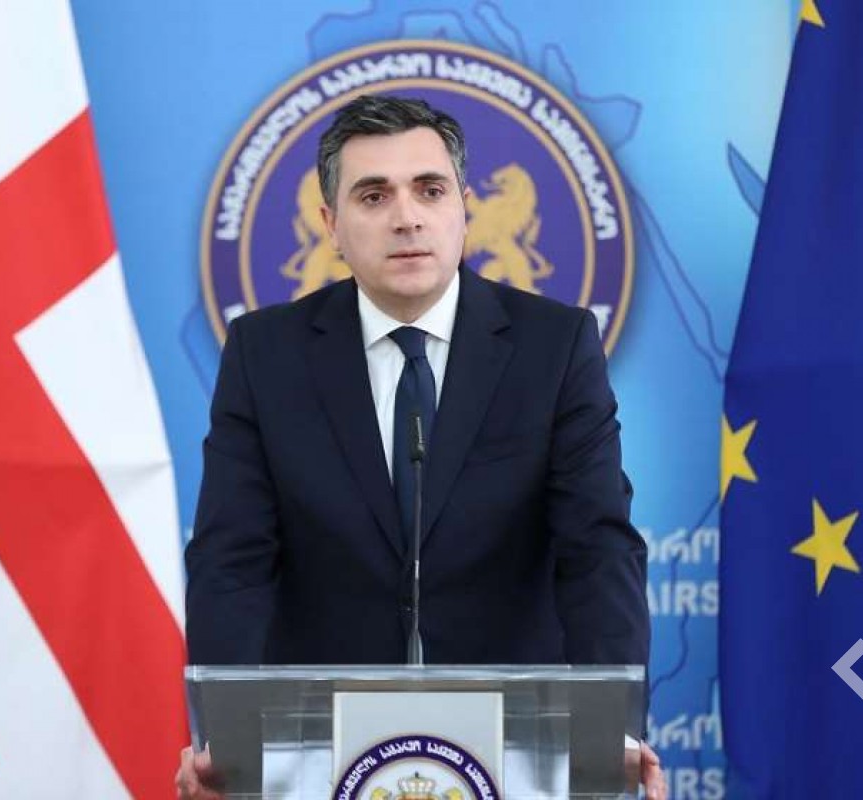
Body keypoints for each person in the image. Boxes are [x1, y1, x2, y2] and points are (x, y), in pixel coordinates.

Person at [179, 94, 665, 798]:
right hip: (321, 752)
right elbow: (232, 560)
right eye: (373, 195)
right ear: (331, 225)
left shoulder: (553, 346)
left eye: (430, 190)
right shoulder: (266, 353)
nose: (406, 217)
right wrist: (225, 739)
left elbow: (597, 547)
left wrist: (608, 732)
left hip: (515, 749)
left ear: (464, 207)